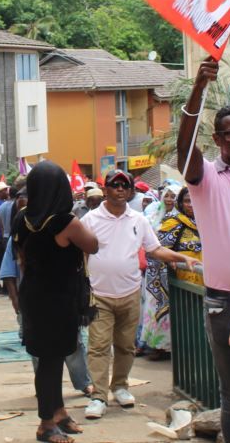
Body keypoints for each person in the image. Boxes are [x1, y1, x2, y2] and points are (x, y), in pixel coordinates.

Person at [177, 58, 230, 443]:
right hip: (224, 303)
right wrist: (198, 88)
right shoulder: (205, 177)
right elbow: (185, 147)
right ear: (217, 139)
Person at [81, 170, 199, 420]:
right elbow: (81, 253)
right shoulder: (90, 219)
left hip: (130, 292)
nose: (120, 189)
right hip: (99, 295)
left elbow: (155, 249)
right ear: (106, 189)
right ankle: (98, 396)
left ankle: (120, 386)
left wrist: (182, 258)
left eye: (125, 185)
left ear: (130, 190)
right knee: (98, 347)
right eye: (115, 185)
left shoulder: (138, 220)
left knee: (126, 346)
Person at [12, 162, 100, 443]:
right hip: (58, 298)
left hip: (34, 293)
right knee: (50, 361)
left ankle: (59, 412)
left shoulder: (22, 217)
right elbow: (93, 245)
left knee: (53, 356)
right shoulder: (65, 222)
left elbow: (20, 254)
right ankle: (45, 424)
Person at [138, 184, 182, 358]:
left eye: (173, 196)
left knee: (169, 309)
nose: (169, 199)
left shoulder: (181, 219)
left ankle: (166, 347)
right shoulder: (154, 215)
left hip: (169, 271)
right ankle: (154, 344)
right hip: (153, 270)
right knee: (152, 306)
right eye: (167, 196)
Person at [159, 188, 203, 287]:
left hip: (207, 281)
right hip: (183, 284)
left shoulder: (209, 222)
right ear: (181, 203)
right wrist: (170, 258)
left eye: (195, 200)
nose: (191, 204)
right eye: (187, 201)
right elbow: (159, 249)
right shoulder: (172, 222)